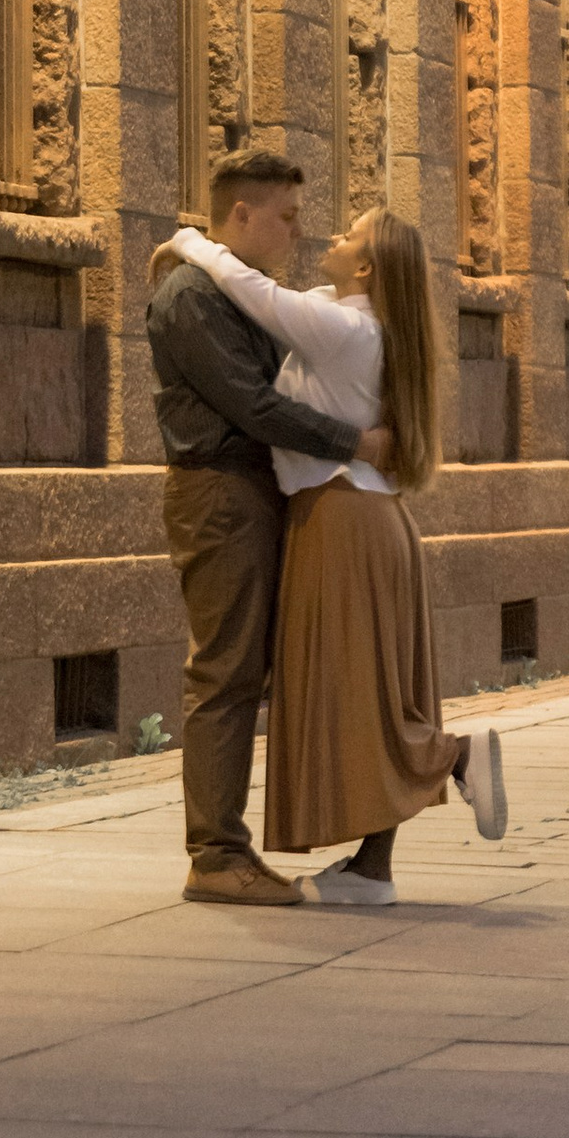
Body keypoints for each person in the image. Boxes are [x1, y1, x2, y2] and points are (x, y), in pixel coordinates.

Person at [162, 201, 507, 909]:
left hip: (340, 516)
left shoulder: (345, 330)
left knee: (353, 691)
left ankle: (456, 756)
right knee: (371, 685)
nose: (329, 234)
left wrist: (188, 242)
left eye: (350, 234)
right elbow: (281, 303)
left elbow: (258, 295)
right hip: (367, 514)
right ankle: (372, 869)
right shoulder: (353, 321)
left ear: (367, 266)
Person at [147, 150, 381, 907]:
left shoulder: (232, 291)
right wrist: (354, 443)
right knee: (225, 671)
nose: (297, 230)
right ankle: (215, 855)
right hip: (221, 494)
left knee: (251, 668)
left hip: (254, 492)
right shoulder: (190, 298)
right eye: (285, 214)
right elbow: (254, 405)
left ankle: (237, 845)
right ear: (241, 215)